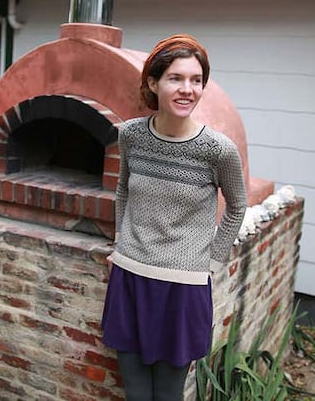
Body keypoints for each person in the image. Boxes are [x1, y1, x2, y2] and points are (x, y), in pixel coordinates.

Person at [101, 34, 247, 401]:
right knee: (135, 393)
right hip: (129, 279)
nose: (188, 89)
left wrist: (211, 262)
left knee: (167, 395)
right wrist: (120, 245)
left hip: (182, 290)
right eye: (176, 78)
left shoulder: (217, 150)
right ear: (154, 82)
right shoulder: (132, 135)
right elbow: (123, 191)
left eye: (196, 80)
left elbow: (237, 206)